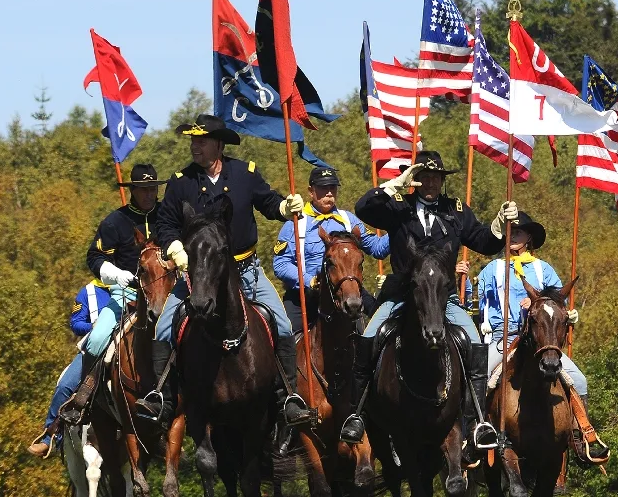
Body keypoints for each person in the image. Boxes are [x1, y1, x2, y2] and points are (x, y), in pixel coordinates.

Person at [338, 151, 518, 462]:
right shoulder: (398, 207)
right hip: (401, 296)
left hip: (443, 298)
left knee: (474, 341)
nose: (432, 183)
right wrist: (393, 185)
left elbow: (483, 242)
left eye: (437, 178)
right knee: (369, 337)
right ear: (415, 180)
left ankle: (476, 421)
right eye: (425, 177)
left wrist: (500, 225)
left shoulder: (455, 210)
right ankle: (357, 415)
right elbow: (363, 208)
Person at [135, 114, 312, 428]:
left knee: (283, 325)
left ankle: (287, 397)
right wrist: (174, 247)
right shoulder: (181, 181)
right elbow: (165, 223)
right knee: (163, 327)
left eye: (201, 141)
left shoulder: (245, 173)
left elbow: (269, 203)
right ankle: (161, 396)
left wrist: (286, 207)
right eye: (193, 140)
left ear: (219, 145)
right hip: (197, 275)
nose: (195, 146)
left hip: (245, 271)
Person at [476, 211, 609, 464]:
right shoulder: (492, 268)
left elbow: (557, 302)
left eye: (518, 232)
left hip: (540, 341)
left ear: (529, 238)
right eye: (510, 232)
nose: (513, 236)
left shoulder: (543, 268)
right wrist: (462, 277)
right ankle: (475, 434)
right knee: (480, 378)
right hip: (503, 338)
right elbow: (476, 299)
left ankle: (581, 438)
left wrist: (539, 305)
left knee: (579, 380)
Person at [53, 164, 163, 425]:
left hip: (167, 292)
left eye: (153, 188)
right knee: (96, 339)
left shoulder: (169, 215)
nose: (149, 194)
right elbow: (94, 256)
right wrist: (115, 274)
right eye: (144, 189)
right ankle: (85, 396)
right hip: (128, 293)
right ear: (132, 190)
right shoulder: (115, 221)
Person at [272, 167, 388, 328]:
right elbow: (281, 264)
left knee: (381, 327)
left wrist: (399, 226)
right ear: (311, 191)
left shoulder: (349, 220)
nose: (329, 193)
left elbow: (377, 248)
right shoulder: (295, 223)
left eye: (332, 187)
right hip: (304, 296)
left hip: (345, 292)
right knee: (285, 333)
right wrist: (309, 281)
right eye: (323, 188)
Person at [26, 280, 111, 457]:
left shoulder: (135, 284)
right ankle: (49, 438)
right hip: (92, 353)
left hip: (127, 349)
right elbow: (76, 323)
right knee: (64, 386)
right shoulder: (89, 291)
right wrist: (93, 326)